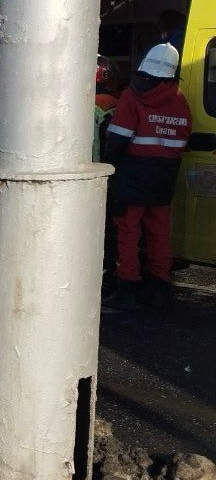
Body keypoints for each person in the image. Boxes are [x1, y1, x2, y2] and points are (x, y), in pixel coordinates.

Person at [102, 43, 192, 310]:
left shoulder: (132, 96)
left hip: (132, 172)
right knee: (159, 231)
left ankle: (127, 287)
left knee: (128, 231)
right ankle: (159, 286)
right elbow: (183, 137)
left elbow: (117, 137)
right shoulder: (179, 99)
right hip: (164, 176)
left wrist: (110, 167)